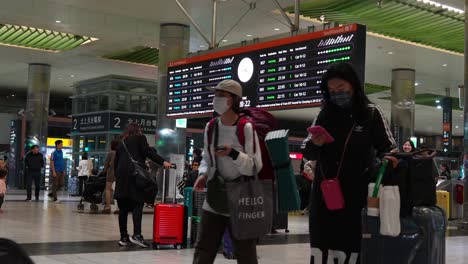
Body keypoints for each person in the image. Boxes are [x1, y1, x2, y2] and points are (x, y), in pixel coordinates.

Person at [301, 62, 397, 263]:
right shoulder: (324, 115)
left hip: (357, 194)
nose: (337, 94)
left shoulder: (371, 113)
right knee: (323, 249)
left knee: (353, 248)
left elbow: (389, 148)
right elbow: (307, 150)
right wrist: (316, 144)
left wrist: (384, 162)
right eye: (332, 90)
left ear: (353, 86)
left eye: (341, 88)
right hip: (324, 194)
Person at [192, 79, 262, 264]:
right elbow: (207, 158)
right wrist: (203, 174)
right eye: (215, 95)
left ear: (233, 100)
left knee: (245, 253)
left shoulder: (246, 127)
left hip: (241, 199)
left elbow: (255, 166)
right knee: (203, 249)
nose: (216, 99)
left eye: (221, 96)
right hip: (214, 197)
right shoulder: (211, 126)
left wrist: (233, 154)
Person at [114, 123, 172, 247]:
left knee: (123, 208)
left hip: (121, 178)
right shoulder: (140, 138)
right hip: (134, 177)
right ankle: (137, 235)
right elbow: (148, 152)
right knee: (137, 204)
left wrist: (118, 177)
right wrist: (163, 162)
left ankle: (124, 237)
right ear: (137, 130)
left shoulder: (121, 142)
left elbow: (116, 162)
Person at [102, 140, 119, 214]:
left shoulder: (110, 153)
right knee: (118, 190)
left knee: (108, 189)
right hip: (119, 174)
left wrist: (103, 171)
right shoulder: (120, 153)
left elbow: (106, 165)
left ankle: (108, 206)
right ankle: (118, 208)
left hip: (111, 174)